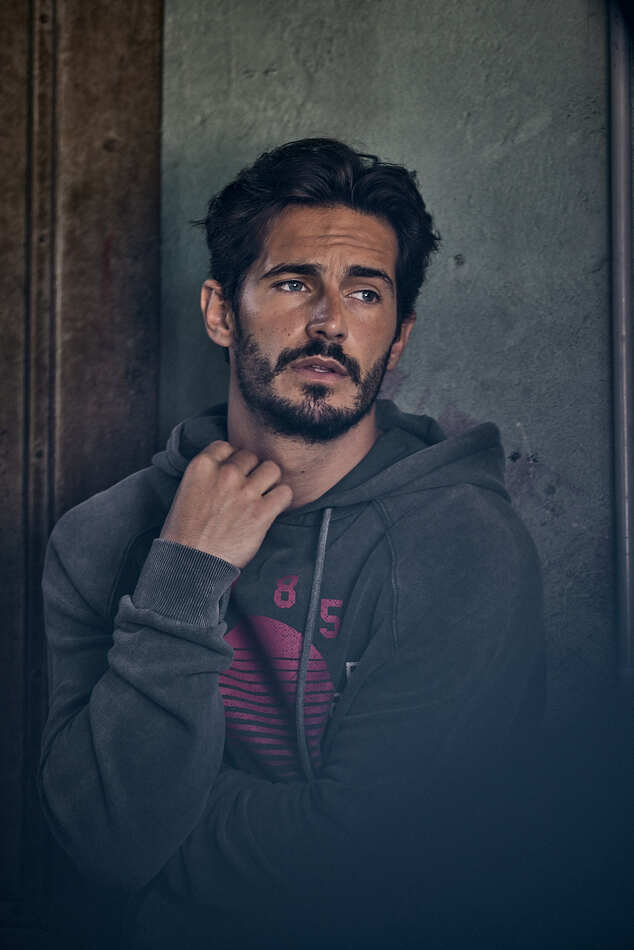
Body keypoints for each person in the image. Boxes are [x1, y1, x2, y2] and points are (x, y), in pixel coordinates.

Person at [38, 138, 545, 948]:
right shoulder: (99, 536)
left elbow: (381, 859)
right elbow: (97, 841)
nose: (329, 322)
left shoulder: (460, 545)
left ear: (398, 337)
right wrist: (185, 574)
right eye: (293, 282)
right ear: (220, 312)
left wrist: (154, 832)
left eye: (365, 293)